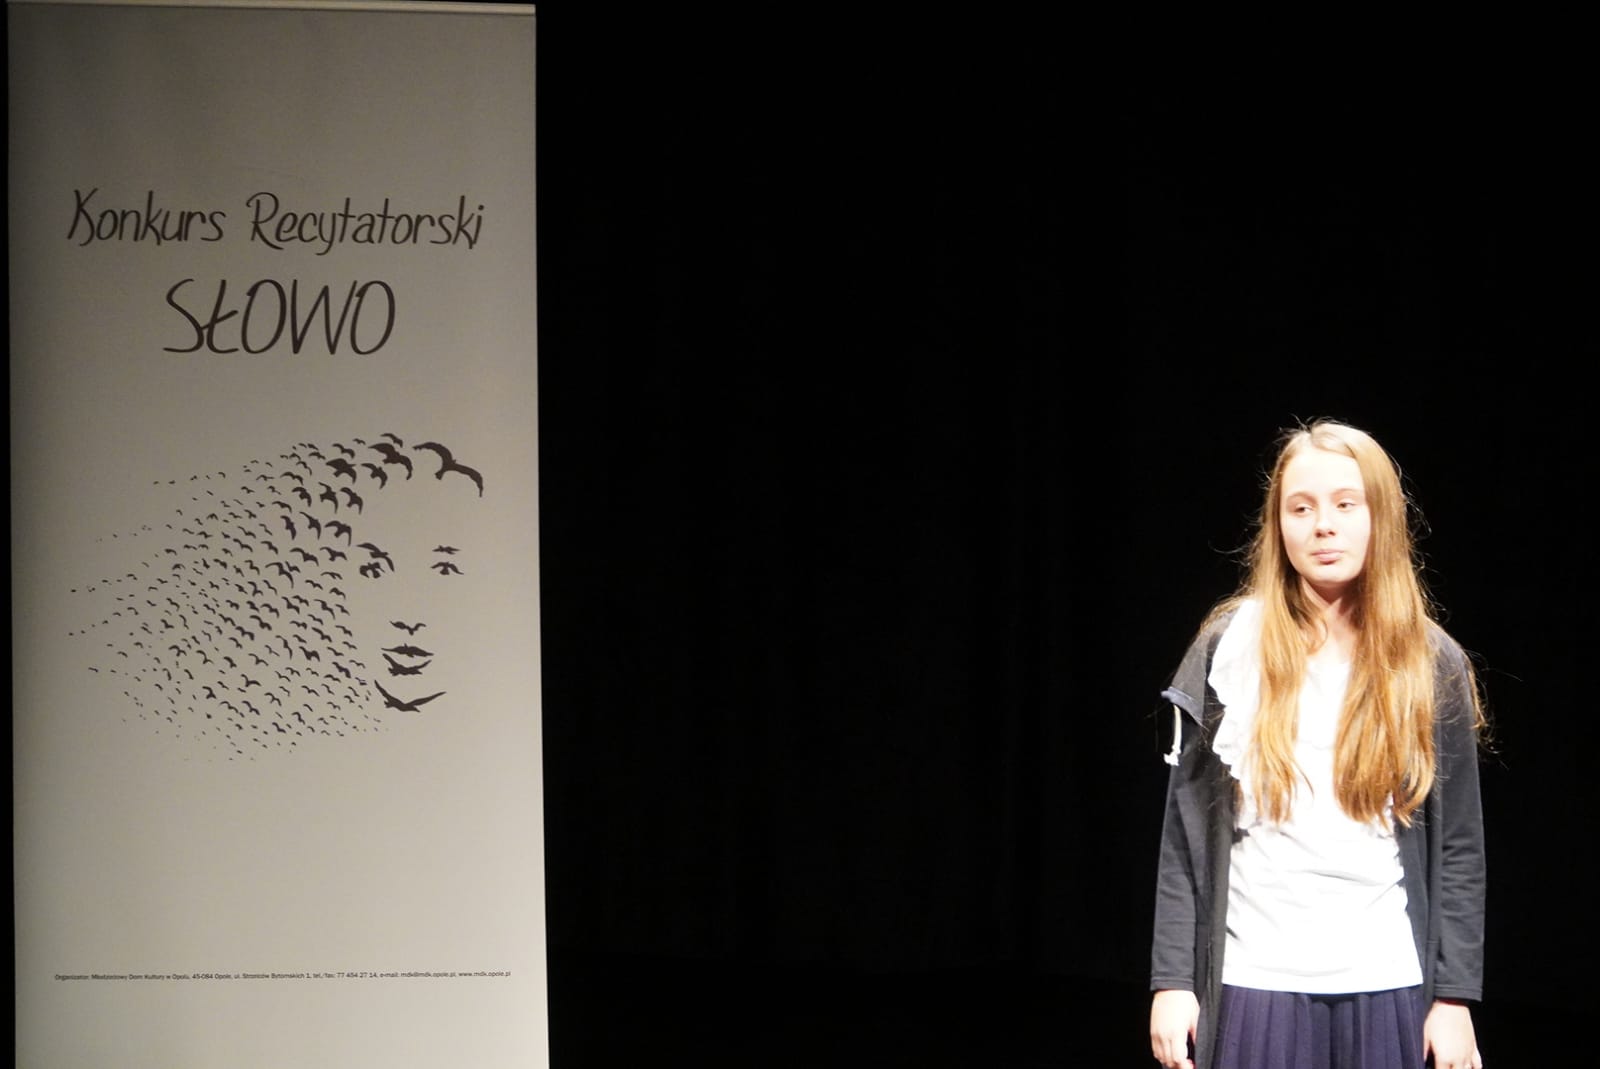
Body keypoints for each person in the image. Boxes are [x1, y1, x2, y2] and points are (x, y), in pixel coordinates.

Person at [1148, 420, 1486, 1069]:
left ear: (1380, 517)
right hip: (1255, 981)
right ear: (1277, 526)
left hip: (1386, 980)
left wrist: (1454, 997)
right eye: (1300, 508)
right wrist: (1172, 981)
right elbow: (1183, 839)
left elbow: (1460, 847)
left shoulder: (1429, 660)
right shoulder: (1230, 650)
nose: (1322, 525)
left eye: (1344, 504)